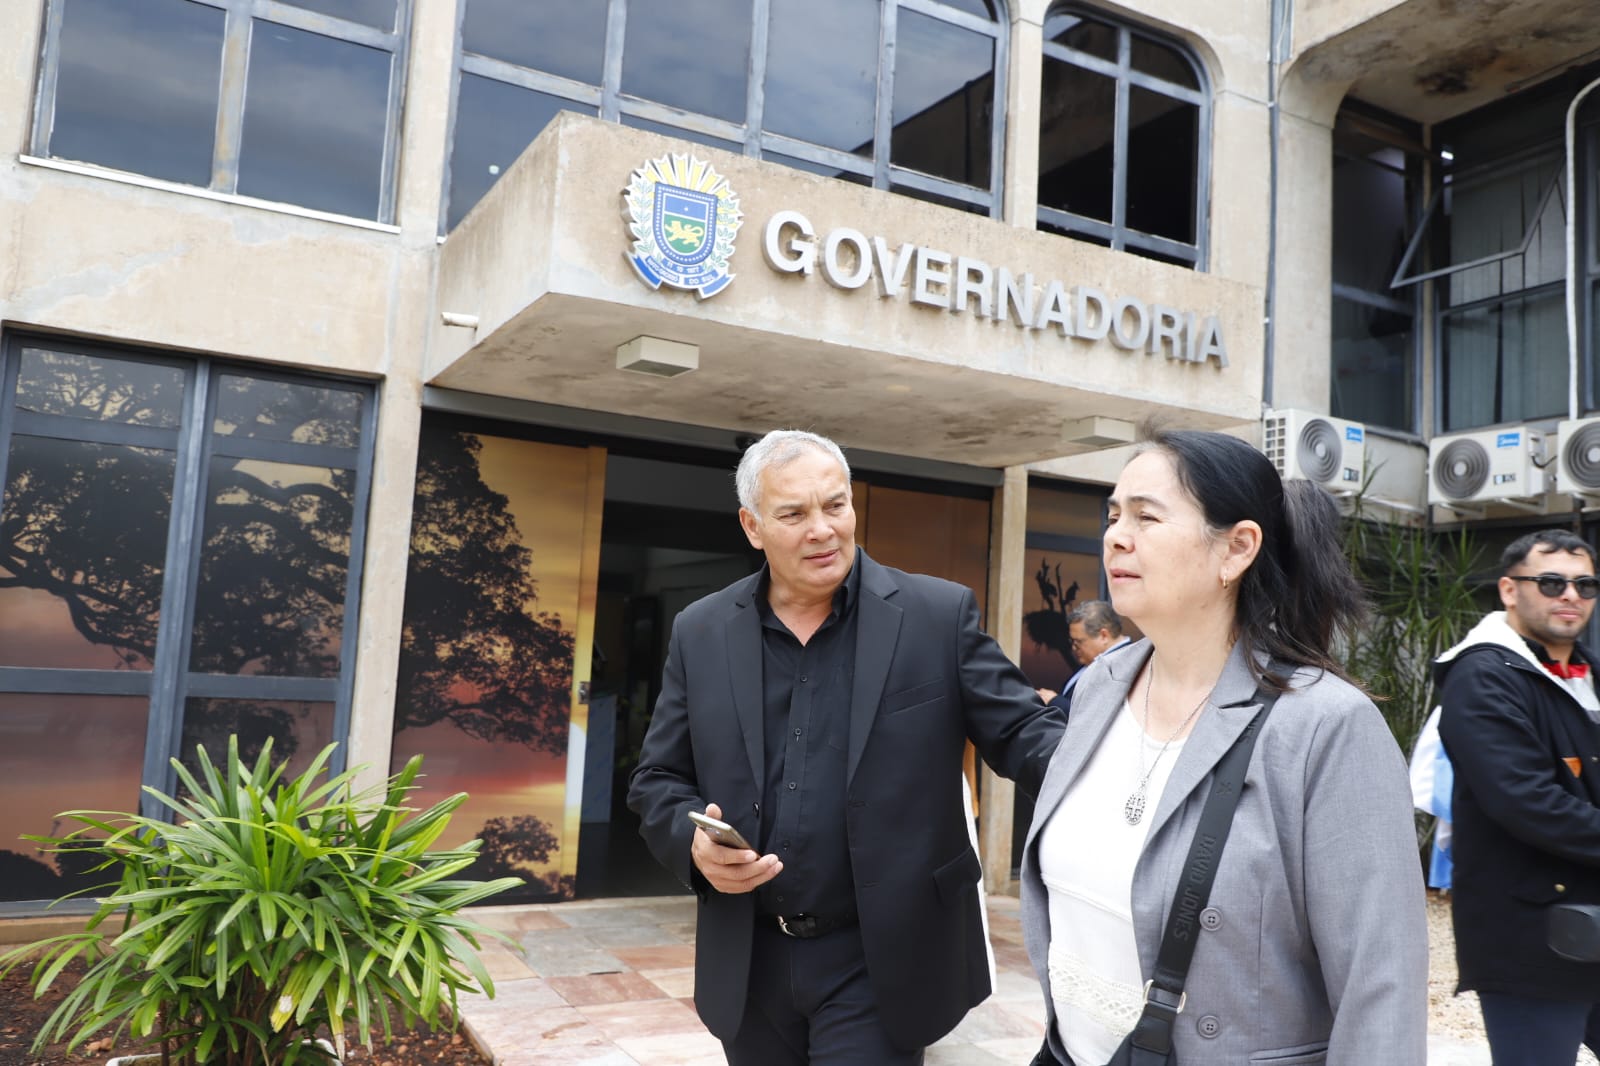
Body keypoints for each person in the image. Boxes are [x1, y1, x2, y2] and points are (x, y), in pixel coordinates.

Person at [626, 429, 1065, 1065]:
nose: (822, 530)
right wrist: (694, 847)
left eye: (835, 506)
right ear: (752, 527)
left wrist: (1129, 768)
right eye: (794, 514)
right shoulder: (701, 631)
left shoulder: (936, 615)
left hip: (882, 958)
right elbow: (658, 777)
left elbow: (1027, 736)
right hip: (749, 958)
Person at [1019, 428, 1428, 1065]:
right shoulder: (1101, 685)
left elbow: (1381, 986)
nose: (1116, 536)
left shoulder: (1324, 726)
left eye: (1147, 517)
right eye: (1114, 514)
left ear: (1236, 549)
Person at [1435, 529, 1600, 1064]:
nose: (1570, 595)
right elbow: (1525, 802)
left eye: (1585, 583)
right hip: (1532, 937)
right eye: (1551, 582)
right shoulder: (1481, 675)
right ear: (1509, 590)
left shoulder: (1592, 673)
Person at [1037, 600, 1130, 710]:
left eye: (1079, 642)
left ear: (1104, 636)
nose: (1074, 647)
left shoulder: (1127, 664)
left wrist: (1055, 701)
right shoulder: (1093, 660)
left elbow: (1099, 714)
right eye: (1072, 642)